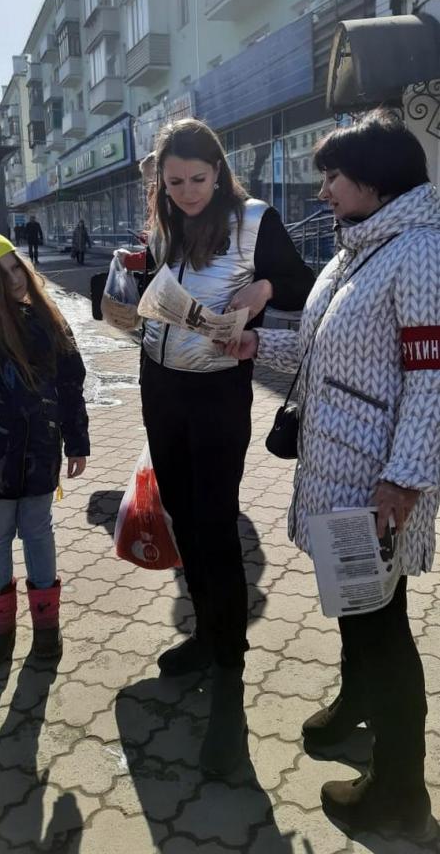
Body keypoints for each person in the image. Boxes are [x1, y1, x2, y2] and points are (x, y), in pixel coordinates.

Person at [227, 110, 440, 840]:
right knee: (359, 611)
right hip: (338, 476)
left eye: (332, 178)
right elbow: (323, 356)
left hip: (376, 486)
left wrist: (403, 479)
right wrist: (254, 342)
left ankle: (399, 794)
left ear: (373, 181)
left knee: (384, 630)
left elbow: (431, 379)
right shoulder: (359, 251)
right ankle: (353, 705)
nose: (321, 191)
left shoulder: (417, 253)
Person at [130, 118, 314, 776]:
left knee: (213, 522)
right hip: (159, 386)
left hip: (216, 391)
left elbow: (302, 284)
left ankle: (229, 670)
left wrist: (263, 288)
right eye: (172, 181)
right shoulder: (166, 216)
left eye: (197, 180)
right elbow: (161, 284)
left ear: (219, 170)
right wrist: (140, 286)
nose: (185, 192)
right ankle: (206, 638)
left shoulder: (254, 218)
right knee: (184, 517)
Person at [0, 216, 90, 665]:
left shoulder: (49, 320)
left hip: (41, 449)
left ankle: (46, 627)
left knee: (38, 531)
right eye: (3, 274)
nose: (17, 278)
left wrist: (77, 441)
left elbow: (71, 384)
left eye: (17, 267)